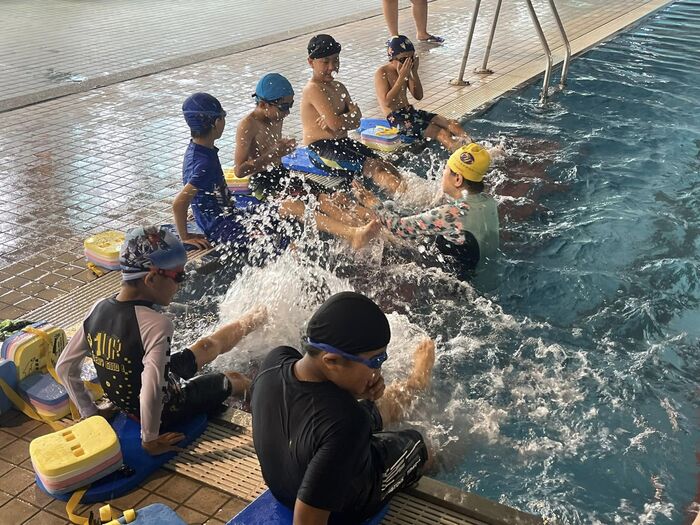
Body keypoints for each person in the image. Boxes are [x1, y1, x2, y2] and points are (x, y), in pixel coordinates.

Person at [56, 226, 266, 455]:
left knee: (204, 347)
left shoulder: (98, 308)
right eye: (179, 276)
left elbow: (65, 367)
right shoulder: (156, 324)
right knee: (234, 378)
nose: (182, 284)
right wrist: (150, 438)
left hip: (132, 397)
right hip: (166, 410)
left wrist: (91, 413)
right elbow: (152, 387)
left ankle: (255, 318)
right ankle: (269, 409)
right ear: (152, 278)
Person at [251, 291, 435, 524]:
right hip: (346, 507)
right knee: (421, 444)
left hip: (284, 487)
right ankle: (418, 386)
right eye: (376, 361)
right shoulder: (348, 423)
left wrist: (354, 393)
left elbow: (315, 412)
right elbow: (306, 520)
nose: (378, 371)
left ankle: (415, 383)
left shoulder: (276, 360)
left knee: (368, 411)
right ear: (331, 361)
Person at [172, 92, 380, 254]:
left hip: (230, 216)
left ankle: (353, 234)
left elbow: (195, 191)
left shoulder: (197, 151)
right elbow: (179, 203)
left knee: (291, 207)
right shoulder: (204, 162)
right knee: (283, 244)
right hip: (225, 228)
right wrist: (185, 236)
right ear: (217, 122)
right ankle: (350, 236)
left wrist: (199, 209)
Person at [354, 143, 499, 277]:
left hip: (458, 281)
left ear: (458, 180)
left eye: (446, 169)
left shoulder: (452, 213)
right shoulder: (489, 201)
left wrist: (374, 204)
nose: (443, 173)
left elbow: (399, 228)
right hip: (483, 270)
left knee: (389, 243)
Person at [301, 35, 406, 196]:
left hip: (343, 142)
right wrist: (343, 119)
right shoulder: (313, 89)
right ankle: (407, 198)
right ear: (311, 62)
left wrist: (340, 120)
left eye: (335, 60)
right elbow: (339, 124)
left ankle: (406, 192)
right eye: (325, 62)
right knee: (373, 166)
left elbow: (357, 120)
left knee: (385, 164)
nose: (332, 66)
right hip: (321, 150)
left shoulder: (338, 87)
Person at [375, 36, 472, 151]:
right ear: (392, 58)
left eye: (411, 58)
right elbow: (387, 102)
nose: (407, 63)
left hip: (410, 112)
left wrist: (414, 73)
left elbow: (418, 96)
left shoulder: (406, 71)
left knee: (451, 123)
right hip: (397, 120)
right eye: (403, 60)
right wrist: (401, 78)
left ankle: (473, 146)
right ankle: (464, 159)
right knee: (441, 133)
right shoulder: (382, 73)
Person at [235, 73, 299, 198]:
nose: (288, 112)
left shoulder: (276, 116)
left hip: (280, 173)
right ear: (264, 104)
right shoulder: (247, 125)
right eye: (284, 107)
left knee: (323, 195)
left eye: (290, 105)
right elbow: (239, 171)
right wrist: (274, 154)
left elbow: (275, 151)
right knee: (297, 207)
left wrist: (283, 148)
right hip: (261, 181)